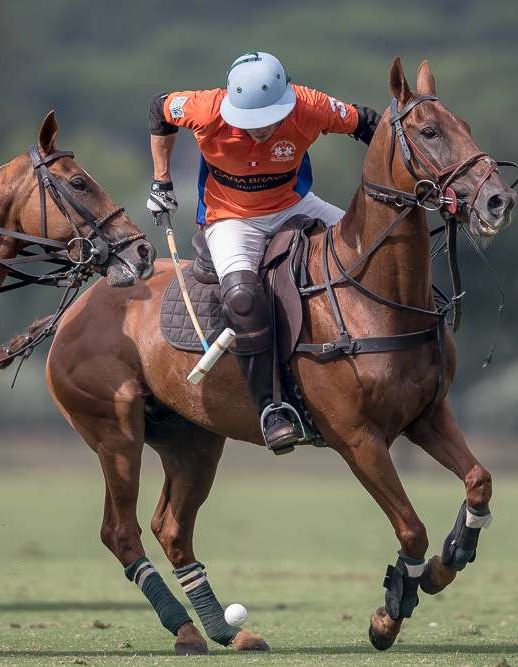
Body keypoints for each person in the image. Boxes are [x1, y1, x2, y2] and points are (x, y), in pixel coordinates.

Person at [146, 51, 379, 451]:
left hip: (293, 203)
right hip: (230, 218)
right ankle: (272, 408)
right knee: (241, 295)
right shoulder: (206, 109)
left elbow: (369, 124)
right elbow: (159, 110)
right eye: (249, 123)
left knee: (372, 249)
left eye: (267, 122)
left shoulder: (311, 105)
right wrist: (161, 181)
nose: (258, 131)